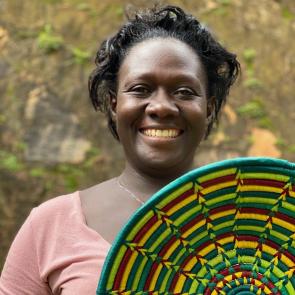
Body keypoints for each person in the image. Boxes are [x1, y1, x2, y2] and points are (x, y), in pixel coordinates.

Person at [0, 4, 240, 295]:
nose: (161, 107)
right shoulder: (49, 226)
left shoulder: (253, 217)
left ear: (209, 108)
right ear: (114, 105)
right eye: (140, 89)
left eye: (184, 92)